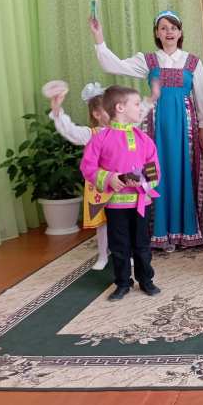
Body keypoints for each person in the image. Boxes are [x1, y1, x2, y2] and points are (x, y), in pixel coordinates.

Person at [89, 11, 203, 251]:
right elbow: (113, 65)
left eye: (173, 28)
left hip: (185, 127)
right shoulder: (148, 60)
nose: (169, 32)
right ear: (157, 33)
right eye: (163, 28)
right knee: (155, 171)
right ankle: (158, 231)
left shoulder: (193, 62)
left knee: (183, 172)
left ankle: (185, 231)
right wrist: (98, 36)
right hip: (155, 126)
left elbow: (202, 97)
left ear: (180, 32)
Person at [49, 82, 157, 270]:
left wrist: (150, 100)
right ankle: (103, 255)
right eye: (106, 110)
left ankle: (130, 254)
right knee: (103, 223)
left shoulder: (131, 132)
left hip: (129, 190)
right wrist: (57, 110)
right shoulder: (92, 135)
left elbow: (137, 115)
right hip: (100, 186)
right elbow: (69, 130)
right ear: (97, 114)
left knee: (128, 225)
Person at [80, 85, 161, 301]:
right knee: (119, 246)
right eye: (136, 104)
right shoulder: (100, 139)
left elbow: (154, 167)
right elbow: (88, 167)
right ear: (120, 107)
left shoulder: (143, 139)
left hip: (141, 203)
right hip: (115, 205)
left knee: (142, 245)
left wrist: (144, 181)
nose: (140, 108)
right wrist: (109, 178)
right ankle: (123, 283)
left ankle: (146, 280)